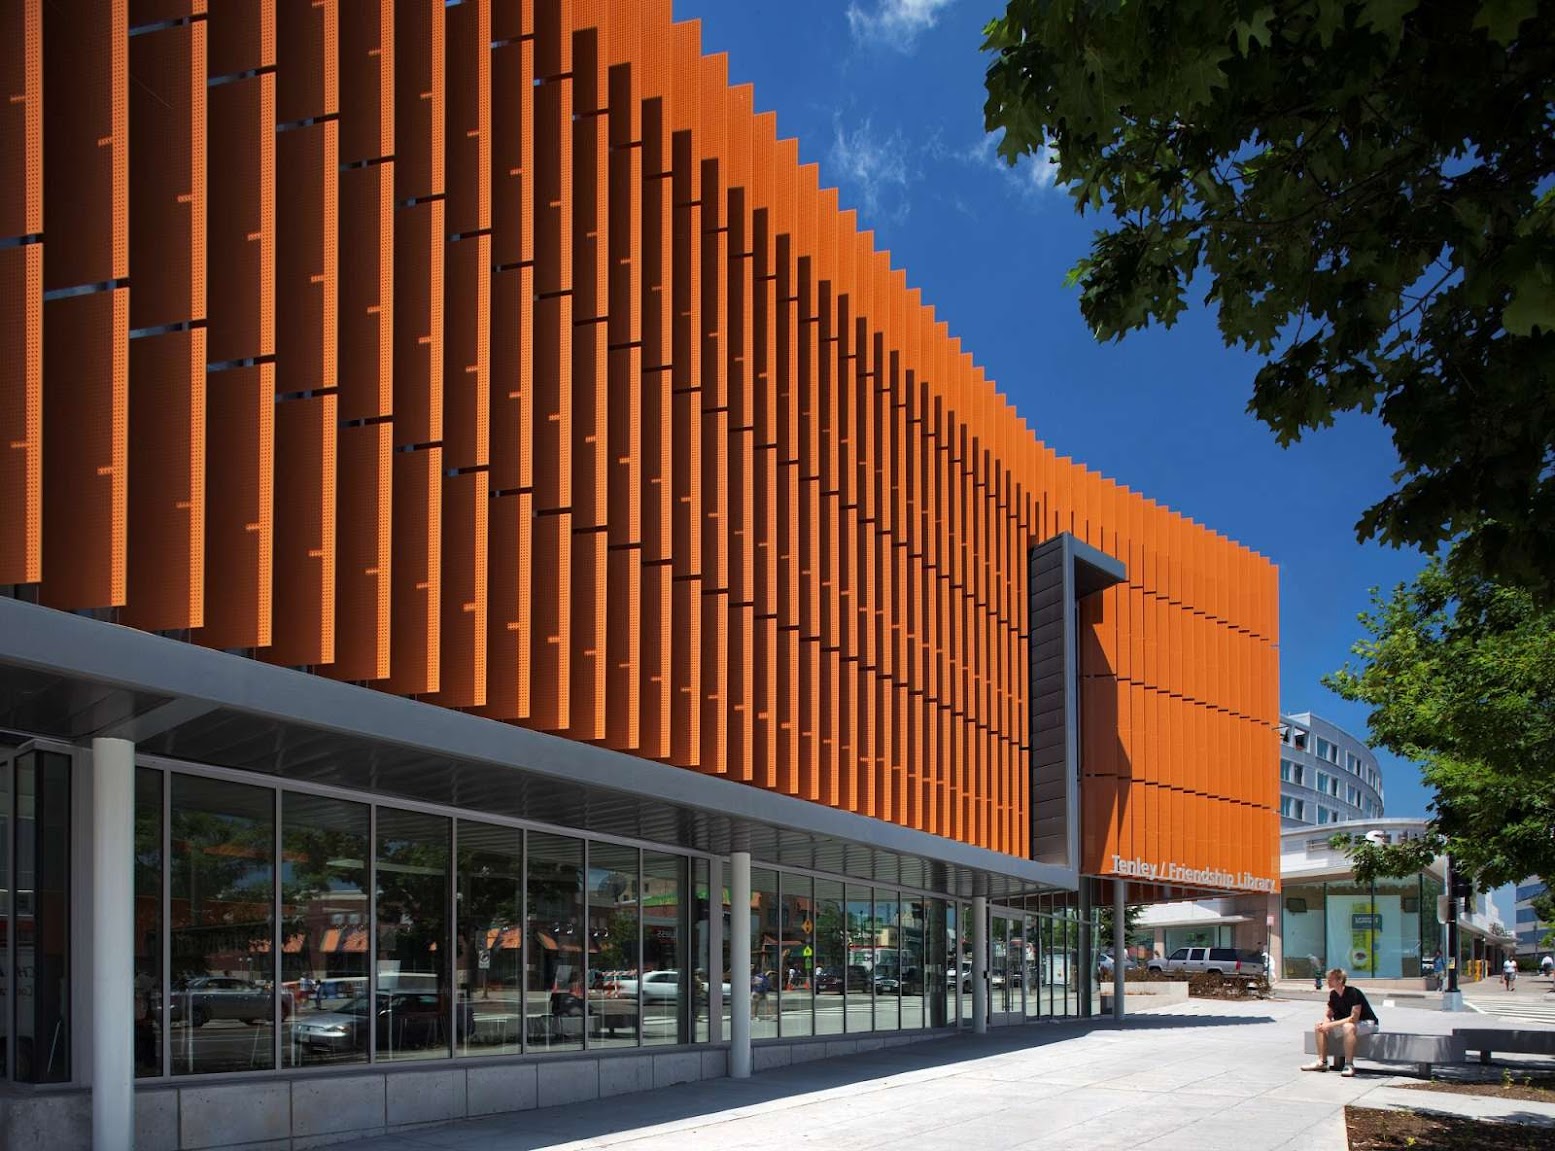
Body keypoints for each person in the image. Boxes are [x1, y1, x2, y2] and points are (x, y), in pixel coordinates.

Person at [1302, 968, 1380, 1077]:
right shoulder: (1333, 994)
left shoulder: (1353, 992)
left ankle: (1349, 1065)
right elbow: (1328, 1015)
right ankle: (1322, 1062)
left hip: (1368, 1023)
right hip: (1347, 1025)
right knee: (1319, 1025)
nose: (1327, 981)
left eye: (1330, 979)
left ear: (1339, 980)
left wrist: (1330, 1025)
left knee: (1348, 1027)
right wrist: (1325, 1024)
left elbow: (1353, 1018)